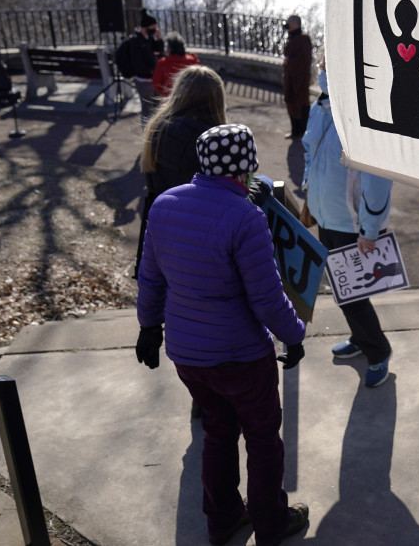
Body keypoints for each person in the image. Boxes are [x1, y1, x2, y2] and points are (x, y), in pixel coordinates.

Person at [136, 123, 310, 546]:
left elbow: (150, 278)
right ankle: (271, 524)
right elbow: (267, 298)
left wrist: (148, 328)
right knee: (263, 440)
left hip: (188, 355)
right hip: (242, 357)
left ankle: (223, 519)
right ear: (245, 167)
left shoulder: (164, 204)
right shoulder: (245, 217)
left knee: (217, 432)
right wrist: (295, 334)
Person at [302, 59, 394, 388]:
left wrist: (369, 229)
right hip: (327, 215)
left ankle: (378, 350)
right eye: (323, 63)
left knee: (351, 294)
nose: (324, 69)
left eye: (329, 63)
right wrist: (308, 189)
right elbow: (309, 150)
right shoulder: (323, 104)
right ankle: (361, 337)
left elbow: (378, 177)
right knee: (345, 290)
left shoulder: (363, 111)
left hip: (351, 223)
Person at [136, 65, 228, 278]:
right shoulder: (214, 145)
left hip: (162, 241)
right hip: (204, 249)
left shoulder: (157, 130)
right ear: (216, 102)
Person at [121, 10, 164, 124]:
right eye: (153, 26)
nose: (155, 29)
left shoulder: (149, 38)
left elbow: (160, 51)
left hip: (153, 78)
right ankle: (148, 134)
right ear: (146, 27)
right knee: (147, 110)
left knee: (156, 108)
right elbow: (137, 63)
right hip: (144, 80)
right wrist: (150, 71)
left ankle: (155, 132)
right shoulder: (135, 41)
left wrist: (159, 39)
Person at [282, 14, 312, 140]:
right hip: (290, 78)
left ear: (296, 24)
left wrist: (289, 63)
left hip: (300, 79)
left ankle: (303, 132)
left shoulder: (304, 40)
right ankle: (295, 131)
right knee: (290, 102)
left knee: (301, 103)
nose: (287, 25)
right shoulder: (292, 38)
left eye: (289, 23)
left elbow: (303, 60)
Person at [151, 31, 200, 97]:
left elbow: (156, 83)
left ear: (170, 49)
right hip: (188, 97)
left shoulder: (163, 63)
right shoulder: (192, 60)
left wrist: (165, 94)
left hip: (169, 98)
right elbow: (199, 78)